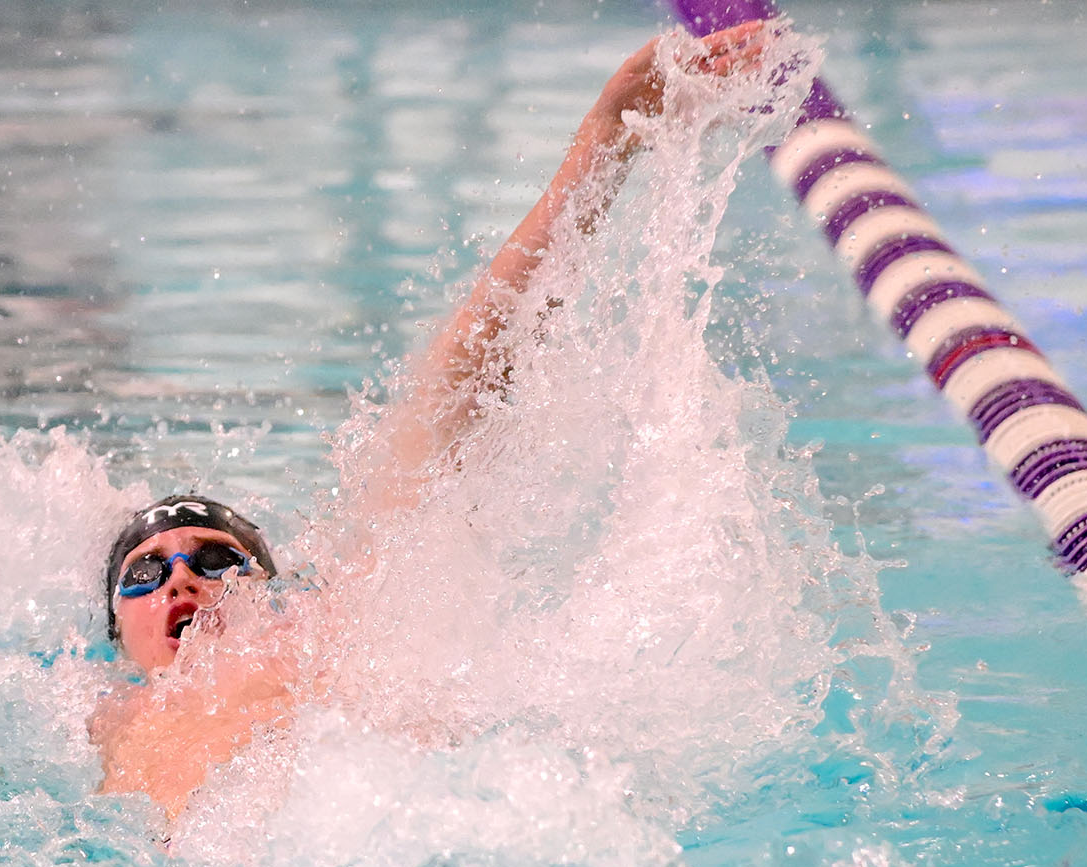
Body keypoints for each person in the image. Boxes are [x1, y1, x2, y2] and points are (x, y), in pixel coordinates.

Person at [88, 21, 774, 821]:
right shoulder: (92, 719)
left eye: (218, 560)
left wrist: (606, 140)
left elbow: (466, 384)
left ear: (277, 598)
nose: (181, 578)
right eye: (144, 572)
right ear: (116, 633)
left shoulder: (325, 634)